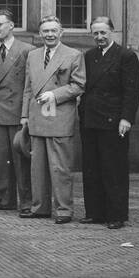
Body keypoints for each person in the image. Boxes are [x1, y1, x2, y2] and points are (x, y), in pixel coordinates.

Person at [21, 15, 86, 224]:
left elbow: (79, 85)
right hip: (37, 117)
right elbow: (28, 89)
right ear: (40, 34)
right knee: (37, 167)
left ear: (61, 33)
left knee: (60, 167)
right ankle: (40, 207)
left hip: (60, 118)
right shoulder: (33, 55)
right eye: (45, 31)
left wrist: (55, 95)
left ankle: (64, 209)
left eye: (53, 31)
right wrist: (24, 116)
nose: (49, 34)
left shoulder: (74, 55)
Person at [79, 17, 139, 230]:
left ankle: (116, 214)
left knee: (113, 168)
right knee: (91, 167)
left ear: (112, 32)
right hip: (90, 120)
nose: (99, 37)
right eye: (95, 33)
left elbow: (131, 91)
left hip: (114, 121)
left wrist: (126, 118)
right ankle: (95, 212)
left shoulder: (126, 56)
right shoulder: (89, 56)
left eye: (103, 33)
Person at [0, 8, 33, 214]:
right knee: (1, 159)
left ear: (11, 26)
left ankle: (27, 202)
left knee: (20, 158)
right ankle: (5, 198)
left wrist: (26, 114)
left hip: (19, 112)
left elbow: (29, 84)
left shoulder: (26, 49)